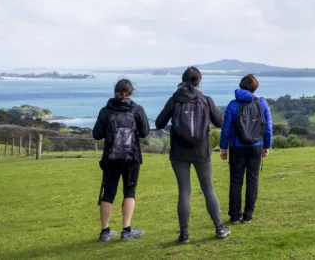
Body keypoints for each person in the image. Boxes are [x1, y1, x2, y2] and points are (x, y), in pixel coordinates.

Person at [155, 66, 229, 244]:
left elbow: (158, 123)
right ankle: (219, 227)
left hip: (179, 152)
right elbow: (219, 122)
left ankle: (184, 234)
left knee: (184, 191)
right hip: (201, 151)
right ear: (199, 81)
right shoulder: (205, 99)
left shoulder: (175, 100)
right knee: (208, 188)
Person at [92, 78, 150, 242]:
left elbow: (96, 134)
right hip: (131, 158)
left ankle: (105, 232)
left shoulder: (106, 110)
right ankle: (127, 230)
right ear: (131, 92)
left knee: (108, 193)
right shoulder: (137, 110)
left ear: (115, 91)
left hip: (110, 158)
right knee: (129, 192)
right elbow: (145, 132)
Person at [219, 74, 272, 224]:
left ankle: (235, 216)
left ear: (241, 86)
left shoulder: (233, 105)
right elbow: (267, 128)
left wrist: (223, 148)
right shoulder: (262, 103)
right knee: (252, 180)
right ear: (255, 87)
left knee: (236, 181)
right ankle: (248, 215)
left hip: (237, 147)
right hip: (256, 146)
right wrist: (266, 146)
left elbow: (226, 128)